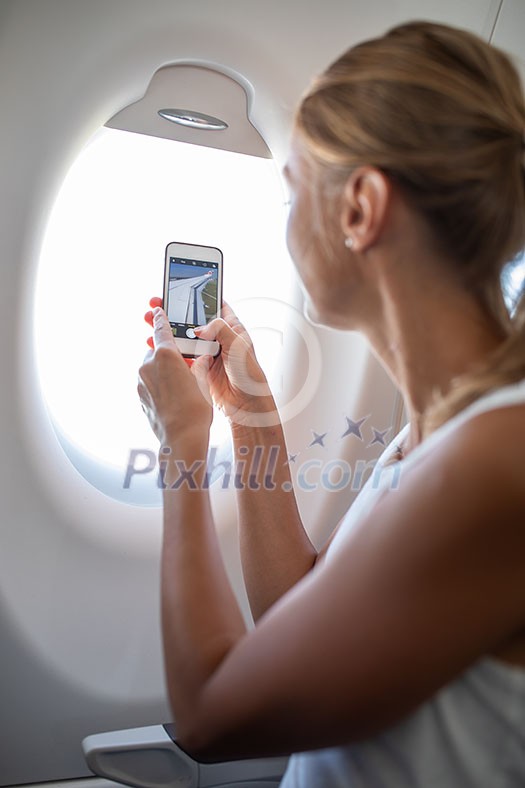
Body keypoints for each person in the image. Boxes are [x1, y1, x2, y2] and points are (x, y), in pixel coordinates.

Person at [138, 21, 525, 786]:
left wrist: (182, 454)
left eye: (291, 190)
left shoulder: (492, 462)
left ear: (360, 208)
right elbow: (298, 615)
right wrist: (249, 418)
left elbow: (210, 715)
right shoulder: (438, 433)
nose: (284, 225)